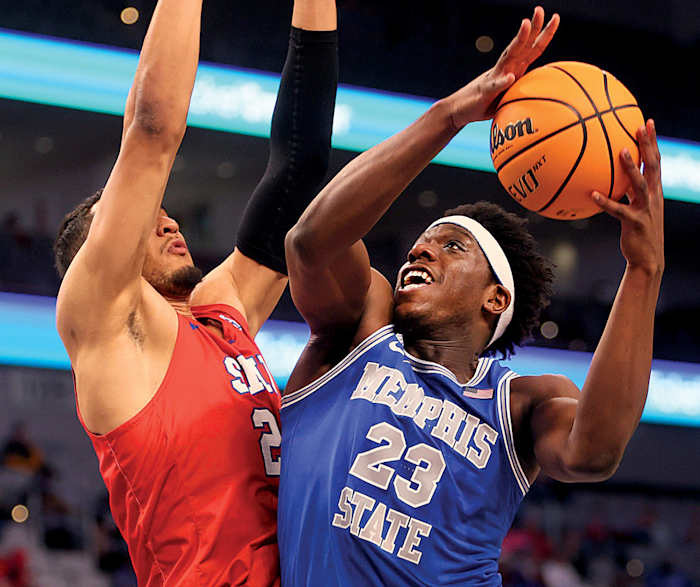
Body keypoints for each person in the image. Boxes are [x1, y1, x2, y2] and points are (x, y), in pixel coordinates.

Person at [279, 6, 664, 585]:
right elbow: (311, 243)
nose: (418, 252)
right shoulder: (360, 331)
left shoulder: (520, 404)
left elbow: (594, 451)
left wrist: (643, 271)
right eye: (420, 244)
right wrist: (450, 115)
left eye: (451, 246)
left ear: (495, 299)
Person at [53, 0, 338, 583]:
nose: (169, 223)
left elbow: (299, 171)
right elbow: (152, 133)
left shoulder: (221, 312)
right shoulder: (108, 327)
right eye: (144, 220)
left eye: (167, 213)